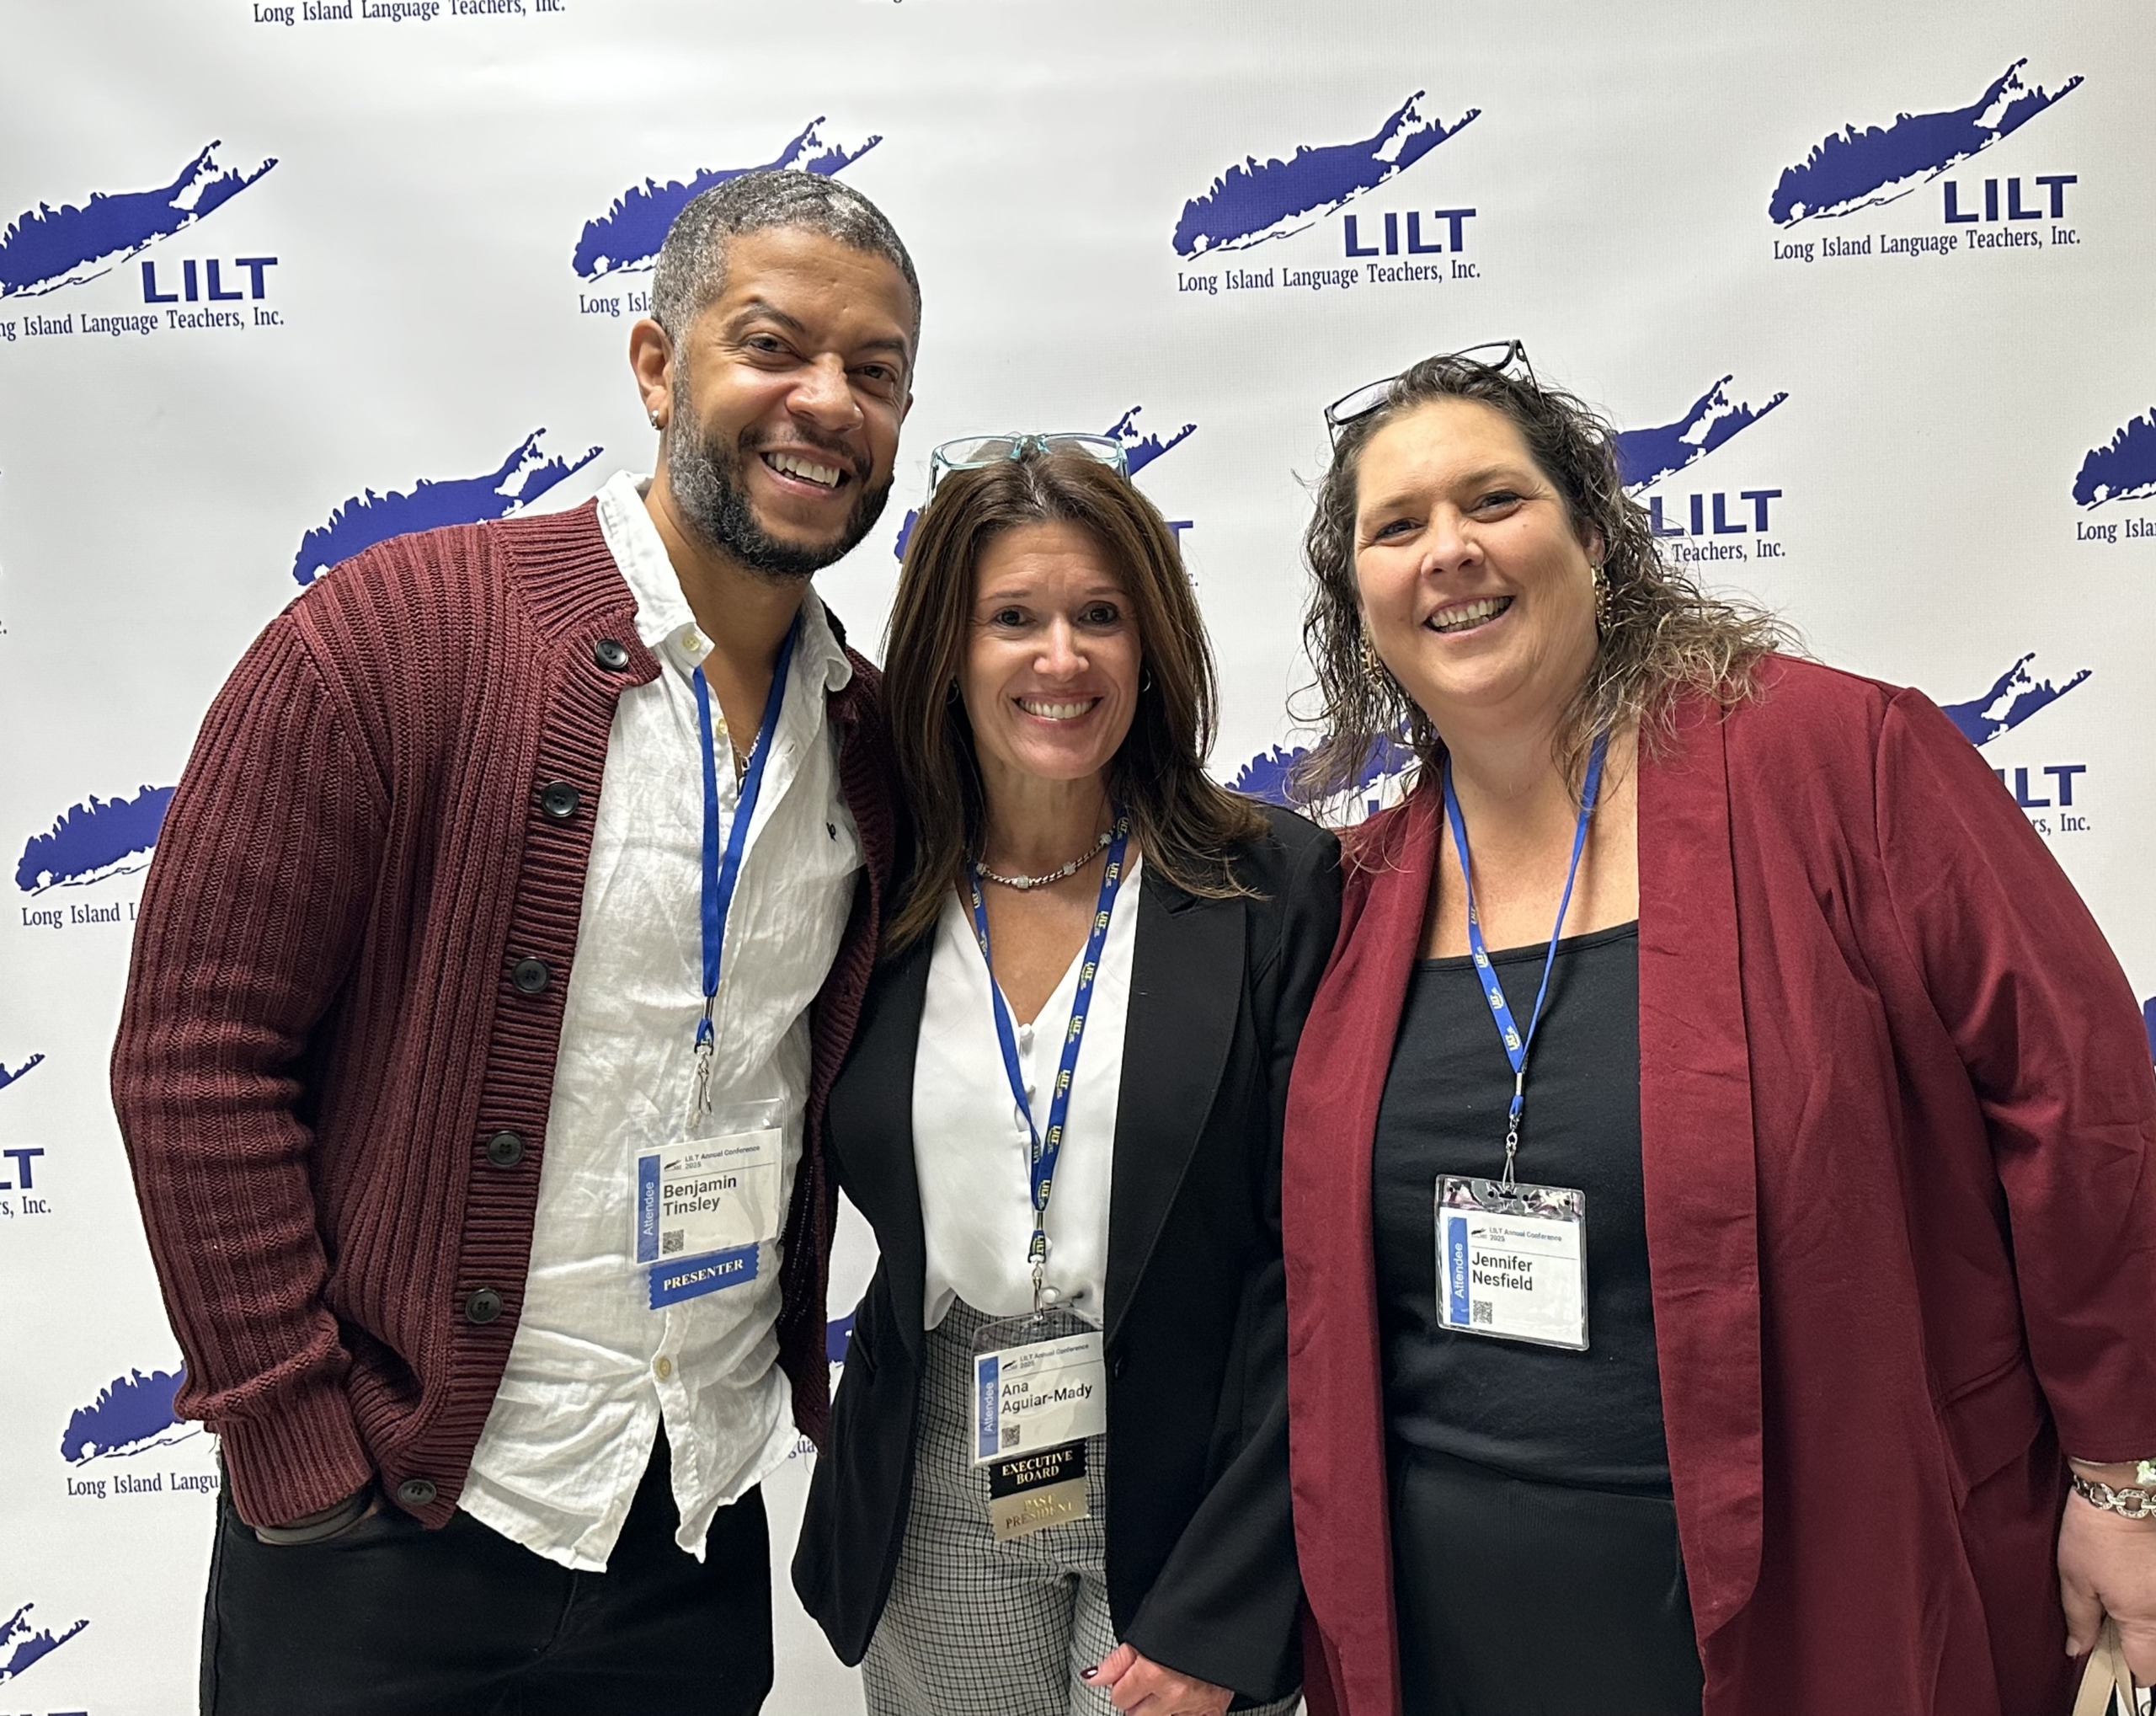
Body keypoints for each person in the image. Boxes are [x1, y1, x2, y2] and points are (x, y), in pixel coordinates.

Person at [109, 169, 919, 1716]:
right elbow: (194, 1058)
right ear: (656, 364)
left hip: (688, 1530)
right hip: (387, 1532)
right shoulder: (394, 637)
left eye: (875, 371)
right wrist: (297, 1452)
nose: (827, 401)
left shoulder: (869, 740)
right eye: (773, 346)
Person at [1276, 345, 2156, 1716]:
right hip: (1457, 1634)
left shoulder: (1838, 764)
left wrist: (2122, 1473)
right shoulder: (1355, 891)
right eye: (1397, 527)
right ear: (1360, 606)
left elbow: (2079, 1103)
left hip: (1816, 1603)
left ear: (1595, 541)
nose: (1448, 549)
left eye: (1494, 500)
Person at [792, 436, 1338, 1716]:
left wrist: (1231, 1594)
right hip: (940, 1461)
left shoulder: (1272, 885)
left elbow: (1311, 1267)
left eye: (1100, 616)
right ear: (947, 649)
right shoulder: (866, 890)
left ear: (1151, 647)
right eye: (1012, 619)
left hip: (1191, 1472)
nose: (1061, 658)